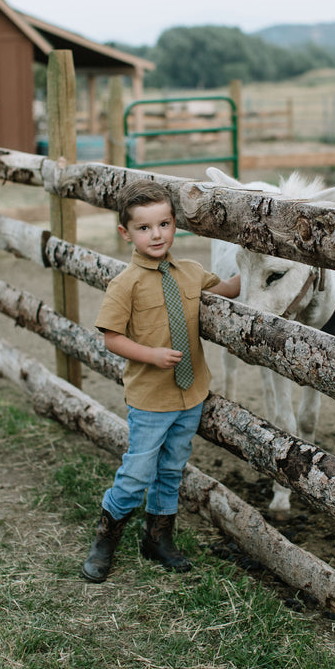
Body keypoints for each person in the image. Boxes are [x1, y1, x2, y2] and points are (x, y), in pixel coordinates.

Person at [81, 179, 240, 582]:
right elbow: (111, 337)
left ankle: (157, 538)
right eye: (144, 227)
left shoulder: (190, 272)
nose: (156, 235)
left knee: (171, 469)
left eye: (164, 224)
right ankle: (105, 539)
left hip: (190, 393)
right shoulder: (126, 284)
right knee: (136, 473)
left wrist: (259, 264)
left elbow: (230, 289)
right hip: (151, 399)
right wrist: (150, 355)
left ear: (175, 224)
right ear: (126, 233)